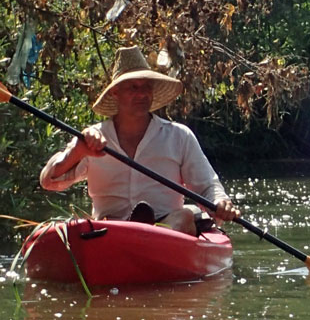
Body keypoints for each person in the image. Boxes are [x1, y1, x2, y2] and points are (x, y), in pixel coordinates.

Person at [40, 45, 241, 236]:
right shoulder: (92, 138)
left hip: (168, 230)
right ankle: (139, 236)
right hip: (110, 230)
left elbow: (206, 187)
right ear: (115, 92)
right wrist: (78, 151)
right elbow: (49, 181)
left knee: (185, 215)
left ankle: (154, 235)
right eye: (133, 87)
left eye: (146, 87)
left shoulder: (179, 136)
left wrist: (220, 202)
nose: (142, 94)